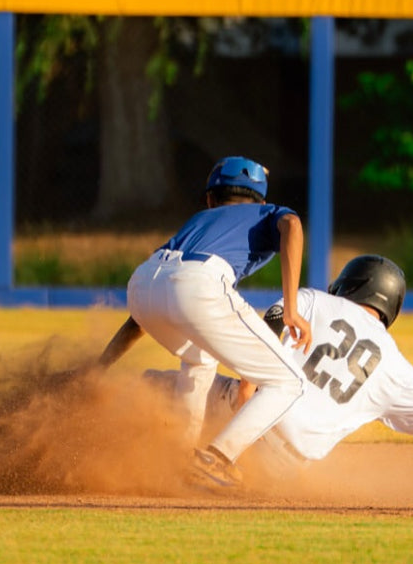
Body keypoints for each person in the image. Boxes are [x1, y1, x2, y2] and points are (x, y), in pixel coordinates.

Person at [141, 254, 413, 482]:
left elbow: (270, 330)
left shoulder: (314, 300)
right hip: (285, 470)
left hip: (247, 413)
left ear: (351, 284)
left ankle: (118, 460)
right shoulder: (398, 369)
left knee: (151, 387)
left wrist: (246, 389)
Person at [106, 155, 313, 490]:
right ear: (260, 199)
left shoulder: (199, 220)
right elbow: (293, 225)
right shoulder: (265, 211)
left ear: (210, 198)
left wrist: (100, 364)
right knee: (288, 382)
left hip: (142, 282)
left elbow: (142, 315)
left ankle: (180, 460)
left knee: (199, 361)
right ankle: (216, 460)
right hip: (197, 282)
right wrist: (290, 308)